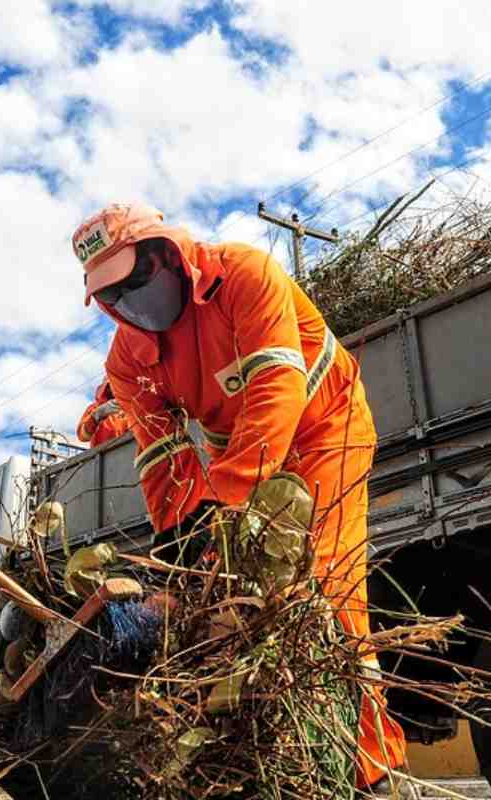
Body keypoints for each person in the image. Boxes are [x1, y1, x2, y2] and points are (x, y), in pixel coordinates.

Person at [72, 203, 413, 796]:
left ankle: (367, 768)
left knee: (323, 590)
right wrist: (180, 537)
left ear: (170, 254)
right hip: (244, 456)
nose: (129, 301)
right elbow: (161, 456)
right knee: (225, 605)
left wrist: (229, 500)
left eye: (136, 279)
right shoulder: (127, 359)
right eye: (113, 295)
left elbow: (277, 386)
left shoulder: (246, 276)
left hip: (322, 428)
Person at [76, 378, 131, 447]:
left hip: (129, 450)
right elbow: (82, 437)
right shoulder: (94, 408)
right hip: (101, 454)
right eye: (110, 386)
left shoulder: (131, 406)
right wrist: (98, 414)